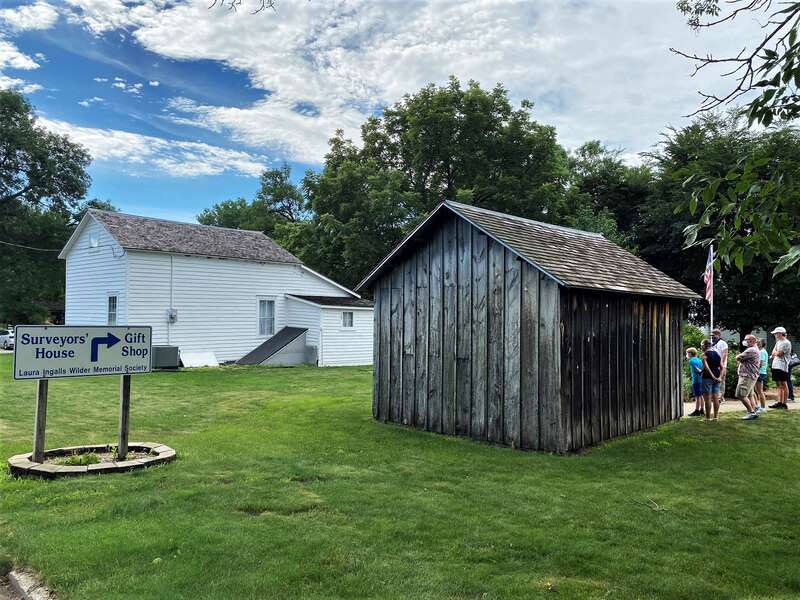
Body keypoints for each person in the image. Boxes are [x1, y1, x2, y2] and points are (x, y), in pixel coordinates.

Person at [735, 334, 760, 420]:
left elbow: (738, 357)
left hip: (747, 376)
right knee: (750, 395)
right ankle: (753, 412)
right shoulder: (753, 349)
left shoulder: (751, 350)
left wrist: (740, 358)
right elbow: (741, 358)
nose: (744, 341)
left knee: (741, 394)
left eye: (746, 340)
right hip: (750, 375)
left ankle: (751, 412)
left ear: (752, 341)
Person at [769, 326, 792, 410]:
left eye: (776, 333)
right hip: (776, 365)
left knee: (783, 384)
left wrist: (775, 353)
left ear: (780, 333)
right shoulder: (778, 342)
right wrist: (775, 353)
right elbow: (773, 352)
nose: (775, 335)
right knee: (778, 384)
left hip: (782, 366)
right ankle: (779, 402)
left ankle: (784, 403)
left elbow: (779, 353)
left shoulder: (786, 342)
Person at [700, 339, 723, 421]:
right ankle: (716, 417)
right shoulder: (717, 354)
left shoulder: (704, 355)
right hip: (717, 377)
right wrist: (719, 377)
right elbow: (722, 367)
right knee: (716, 397)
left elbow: (706, 368)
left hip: (707, 378)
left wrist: (713, 377)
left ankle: (707, 418)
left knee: (708, 398)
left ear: (704, 346)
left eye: (702, 345)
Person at [686, 347, 705, 416]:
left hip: (696, 380)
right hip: (701, 380)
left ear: (690, 354)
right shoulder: (699, 360)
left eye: (687, 353)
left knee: (697, 396)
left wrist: (699, 371)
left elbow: (697, 370)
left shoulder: (691, 361)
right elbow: (702, 368)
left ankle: (697, 411)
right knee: (701, 395)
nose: (686, 355)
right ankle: (702, 410)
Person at [711, 329, 729, 400]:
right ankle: (715, 396)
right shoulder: (714, 343)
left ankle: (720, 397)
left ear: (718, 335)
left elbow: (724, 354)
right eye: (712, 336)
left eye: (713, 335)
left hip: (721, 366)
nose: (712, 337)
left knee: (721, 381)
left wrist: (720, 365)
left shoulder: (723, 343)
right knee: (715, 381)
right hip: (714, 366)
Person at [753, 338, 768, 413]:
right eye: (757, 342)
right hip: (760, 372)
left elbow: (760, 364)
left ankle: (762, 407)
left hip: (760, 373)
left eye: (759, 342)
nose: (757, 343)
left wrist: (753, 369)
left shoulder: (762, 352)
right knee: (757, 390)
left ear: (762, 344)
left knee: (759, 391)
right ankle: (757, 406)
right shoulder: (761, 351)